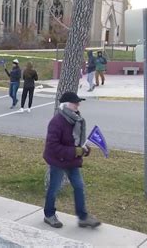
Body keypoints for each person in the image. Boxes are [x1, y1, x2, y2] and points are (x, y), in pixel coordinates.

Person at [43, 92, 101, 229]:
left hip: (71, 161)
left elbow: (76, 142)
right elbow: (53, 146)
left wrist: (84, 148)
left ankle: (83, 218)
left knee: (79, 187)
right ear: (66, 105)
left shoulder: (76, 120)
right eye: (75, 102)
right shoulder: (56, 122)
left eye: (78, 102)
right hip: (58, 161)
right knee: (54, 188)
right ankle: (49, 215)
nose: (78, 105)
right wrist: (75, 151)